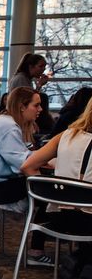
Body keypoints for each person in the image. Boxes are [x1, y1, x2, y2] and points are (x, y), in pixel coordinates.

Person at [21, 98, 92, 266]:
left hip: (58, 218)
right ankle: (83, 266)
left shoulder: (67, 135)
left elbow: (28, 166)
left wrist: (46, 196)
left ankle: (81, 264)